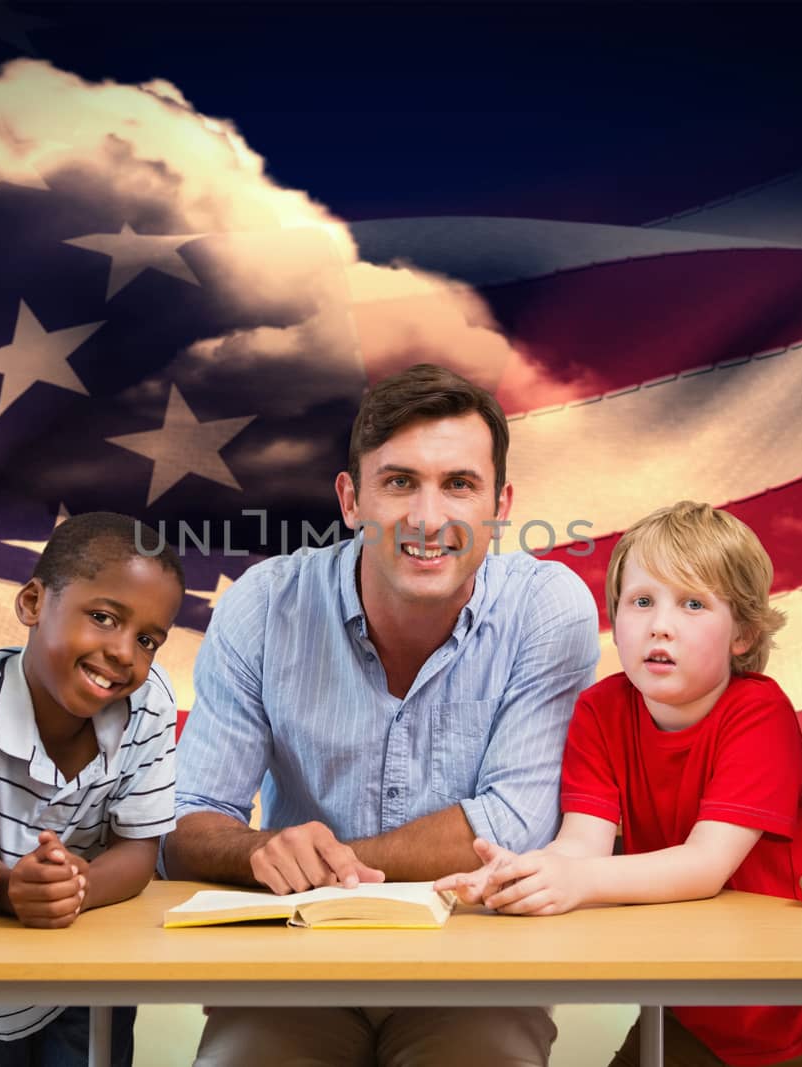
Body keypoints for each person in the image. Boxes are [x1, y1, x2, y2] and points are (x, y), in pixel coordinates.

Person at [163, 362, 601, 1066]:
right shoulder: (263, 604)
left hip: (476, 967)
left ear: (501, 501)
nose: (428, 519)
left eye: (459, 484)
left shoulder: (549, 609)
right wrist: (255, 849)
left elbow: (512, 824)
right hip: (295, 967)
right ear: (351, 499)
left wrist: (332, 867)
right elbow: (184, 826)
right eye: (399, 482)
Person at [438, 501, 802, 1066]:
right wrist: (527, 875)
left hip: (789, 1023)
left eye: (692, 604)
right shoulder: (600, 709)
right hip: (684, 1011)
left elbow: (704, 866)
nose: (660, 623)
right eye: (641, 601)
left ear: (744, 634)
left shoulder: (760, 713)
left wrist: (576, 882)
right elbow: (580, 844)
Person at [0, 512, 186, 1067]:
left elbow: (139, 851)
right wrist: (13, 889)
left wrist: (75, 886)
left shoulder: (152, 704)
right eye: (103, 617)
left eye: (147, 639)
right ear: (33, 604)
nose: (123, 653)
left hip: (91, 960)